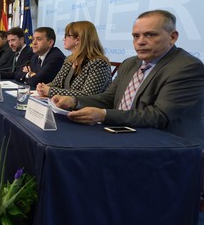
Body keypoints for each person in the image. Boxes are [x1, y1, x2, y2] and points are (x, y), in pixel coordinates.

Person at [52, 10, 204, 145]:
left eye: (150, 34)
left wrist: (103, 115)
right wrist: (75, 101)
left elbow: (159, 116)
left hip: (167, 146)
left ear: (173, 37)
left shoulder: (187, 67)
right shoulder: (130, 63)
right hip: (123, 135)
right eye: (136, 36)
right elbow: (109, 98)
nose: (140, 41)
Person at [37, 21, 111, 97]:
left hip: (87, 108)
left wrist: (50, 91)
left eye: (66, 35)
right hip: (65, 107)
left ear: (77, 40)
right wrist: (43, 87)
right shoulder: (69, 59)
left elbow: (88, 96)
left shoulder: (99, 63)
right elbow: (56, 84)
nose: (63, 39)